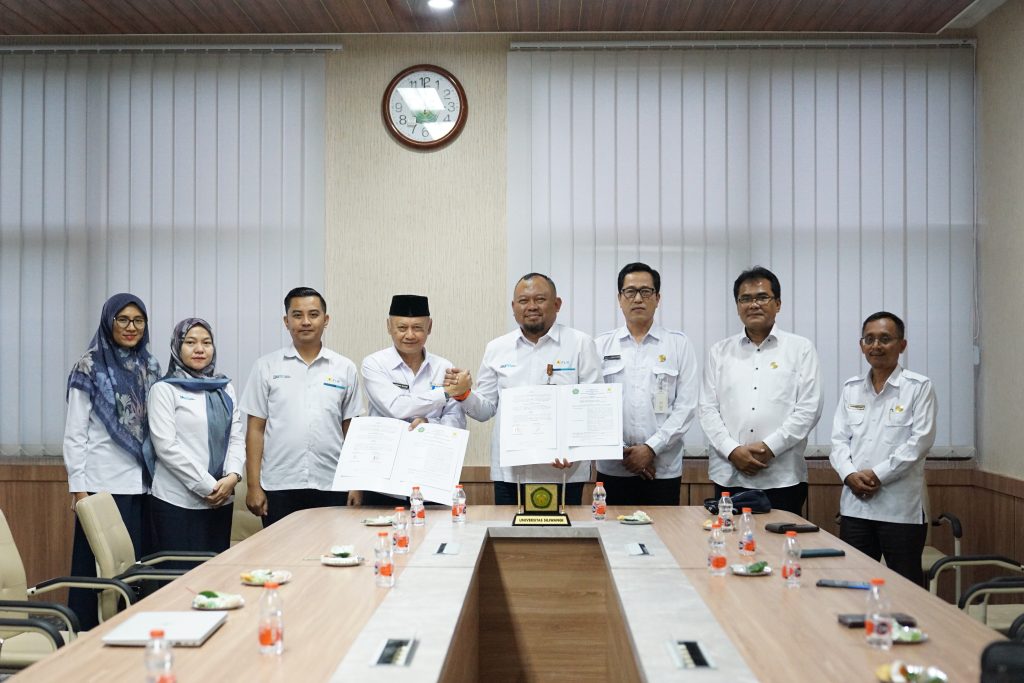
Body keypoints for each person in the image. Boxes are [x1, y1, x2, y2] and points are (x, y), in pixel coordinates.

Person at [450, 273, 602, 506]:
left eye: (540, 299)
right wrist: (464, 394)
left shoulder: (580, 343)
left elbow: (593, 405)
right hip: (512, 472)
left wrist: (576, 451)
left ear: (557, 304)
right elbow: (485, 410)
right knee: (509, 529)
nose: (531, 306)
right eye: (523, 301)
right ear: (513, 307)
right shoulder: (497, 348)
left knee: (565, 530)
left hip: (564, 470)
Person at [63, 293, 162, 628]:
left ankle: (131, 633)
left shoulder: (151, 367)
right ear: (109, 322)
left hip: (144, 487)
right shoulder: (89, 367)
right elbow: (75, 433)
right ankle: (85, 636)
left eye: (138, 320)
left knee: (136, 571)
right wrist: (79, 490)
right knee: (97, 572)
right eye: (123, 319)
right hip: (101, 486)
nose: (131, 327)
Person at [698, 266, 823, 515]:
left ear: (778, 304)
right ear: (737, 306)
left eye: (762, 297)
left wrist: (769, 448)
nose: (754, 304)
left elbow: (809, 409)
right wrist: (733, 450)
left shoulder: (801, 349)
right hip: (729, 475)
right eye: (745, 298)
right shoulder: (719, 352)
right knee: (729, 539)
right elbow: (707, 409)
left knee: (781, 540)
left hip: (783, 477)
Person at [829, 312, 937, 585]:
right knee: (852, 585)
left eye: (885, 339)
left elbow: (919, 443)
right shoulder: (851, 389)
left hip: (899, 510)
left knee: (905, 588)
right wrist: (849, 475)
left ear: (902, 345)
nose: (876, 345)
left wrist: (877, 475)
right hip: (856, 508)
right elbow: (839, 441)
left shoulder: (918, 387)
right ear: (861, 345)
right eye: (870, 339)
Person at [240, 287, 360, 526]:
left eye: (313, 314)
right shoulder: (266, 367)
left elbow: (352, 430)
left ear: (326, 320)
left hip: (331, 483)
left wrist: (356, 484)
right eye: (297, 315)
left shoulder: (344, 368)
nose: (306, 322)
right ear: (286, 321)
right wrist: (253, 486)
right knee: (281, 549)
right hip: (279, 485)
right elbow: (255, 430)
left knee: (331, 548)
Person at [595, 263, 698, 505]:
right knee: (611, 529)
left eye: (646, 291)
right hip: (614, 468)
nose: (638, 298)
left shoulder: (678, 345)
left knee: (663, 530)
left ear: (657, 298)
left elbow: (686, 407)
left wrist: (650, 449)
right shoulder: (600, 346)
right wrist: (625, 453)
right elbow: (594, 406)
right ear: (620, 299)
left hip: (661, 470)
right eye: (630, 292)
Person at [146, 318, 245, 553]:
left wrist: (233, 476)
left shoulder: (224, 388)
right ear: (177, 346)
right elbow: (166, 447)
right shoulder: (164, 389)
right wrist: (208, 486)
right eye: (190, 342)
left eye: (206, 342)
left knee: (215, 571)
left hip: (221, 500)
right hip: (176, 501)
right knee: (180, 573)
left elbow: (235, 436)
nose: (199, 349)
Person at [358, 294, 466, 506]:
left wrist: (429, 425)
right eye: (401, 328)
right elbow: (396, 407)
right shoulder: (374, 364)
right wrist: (445, 393)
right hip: (384, 480)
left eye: (417, 328)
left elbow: (456, 420)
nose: (409, 335)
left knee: (435, 528)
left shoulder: (444, 367)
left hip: (432, 475)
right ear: (389, 326)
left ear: (429, 327)